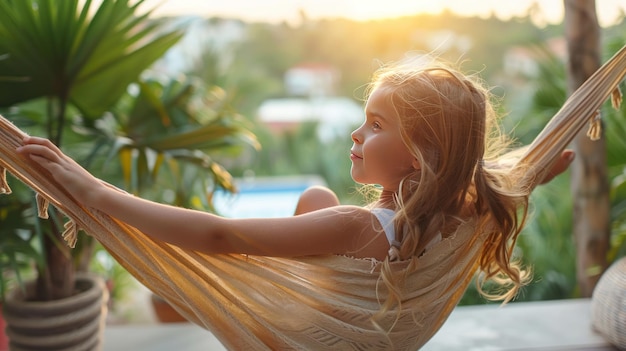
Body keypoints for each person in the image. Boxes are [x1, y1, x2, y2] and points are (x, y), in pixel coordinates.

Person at [16, 58, 574, 306]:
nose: (356, 134)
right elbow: (507, 175)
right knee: (315, 195)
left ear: (421, 157)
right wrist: (541, 164)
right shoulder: (466, 207)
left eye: (377, 126)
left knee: (316, 202)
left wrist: (92, 190)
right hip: (372, 305)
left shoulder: (357, 228)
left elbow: (219, 237)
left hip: (307, 331)